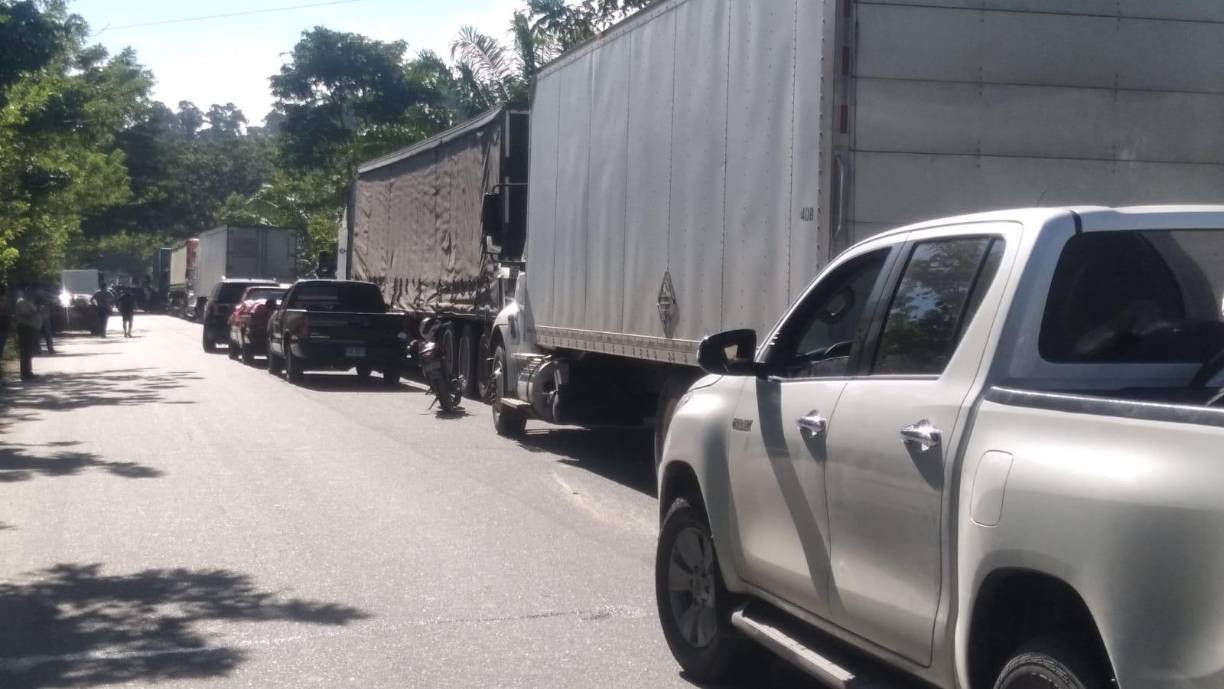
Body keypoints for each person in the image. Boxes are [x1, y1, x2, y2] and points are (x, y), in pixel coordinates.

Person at [14, 289, 39, 381]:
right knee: (25, 351)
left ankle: (28, 371)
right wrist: (36, 311)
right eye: (29, 292)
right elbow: (25, 314)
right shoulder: (21, 302)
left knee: (28, 351)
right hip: (25, 327)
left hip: (30, 328)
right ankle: (25, 373)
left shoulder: (28, 302)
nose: (31, 293)